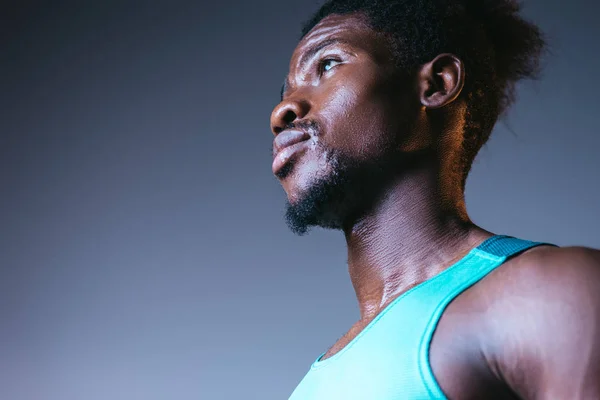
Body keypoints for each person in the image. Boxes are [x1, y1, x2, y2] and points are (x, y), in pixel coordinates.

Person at [269, 0, 600, 398]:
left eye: (326, 65)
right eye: (285, 90)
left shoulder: (551, 294)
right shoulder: (312, 384)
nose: (282, 111)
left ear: (437, 84)